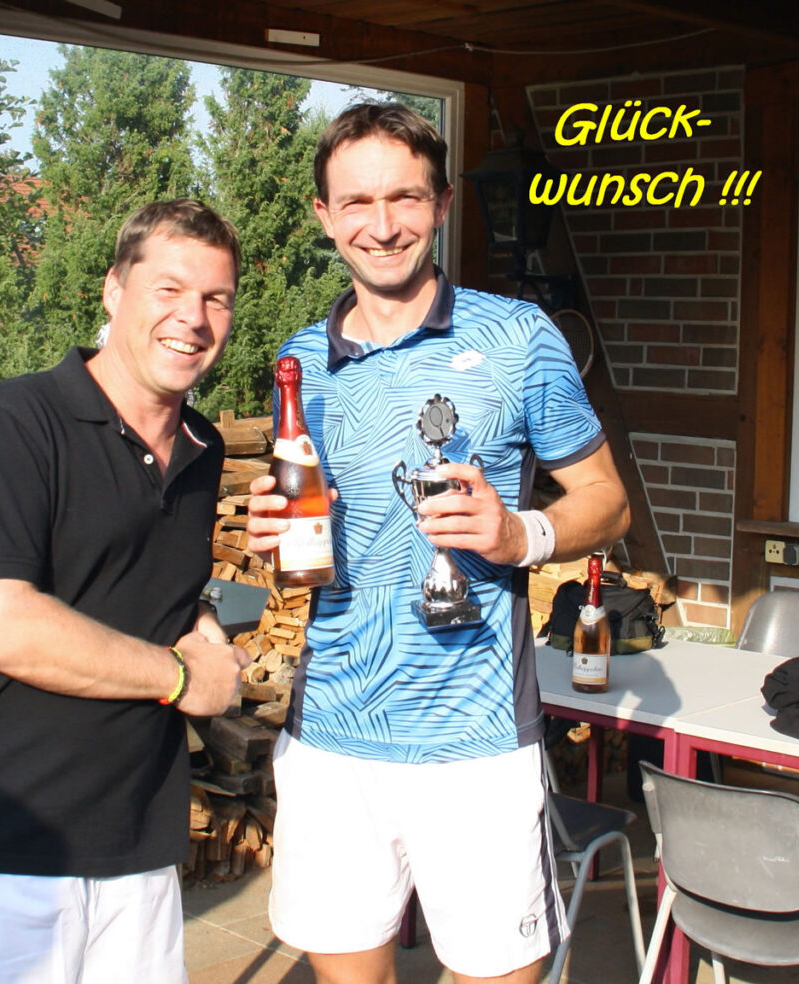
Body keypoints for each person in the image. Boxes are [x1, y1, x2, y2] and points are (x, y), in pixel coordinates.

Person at [246, 104, 631, 984]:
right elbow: (310, 547)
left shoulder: (518, 338)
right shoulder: (301, 365)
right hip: (333, 739)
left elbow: (608, 503)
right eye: (357, 202)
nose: (382, 226)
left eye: (405, 198)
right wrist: (275, 540)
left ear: (444, 203)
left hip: (477, 744)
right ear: (323, 215)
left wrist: (521, 532)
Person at [0, 198, 252, 984]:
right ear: (114, 289)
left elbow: (132, 573)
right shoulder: (17, 420)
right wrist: (183, 677)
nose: (194, 318)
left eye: (217, 298)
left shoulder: (202, 448)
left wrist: (200, 613)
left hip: (134, 852)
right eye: (169, 290)